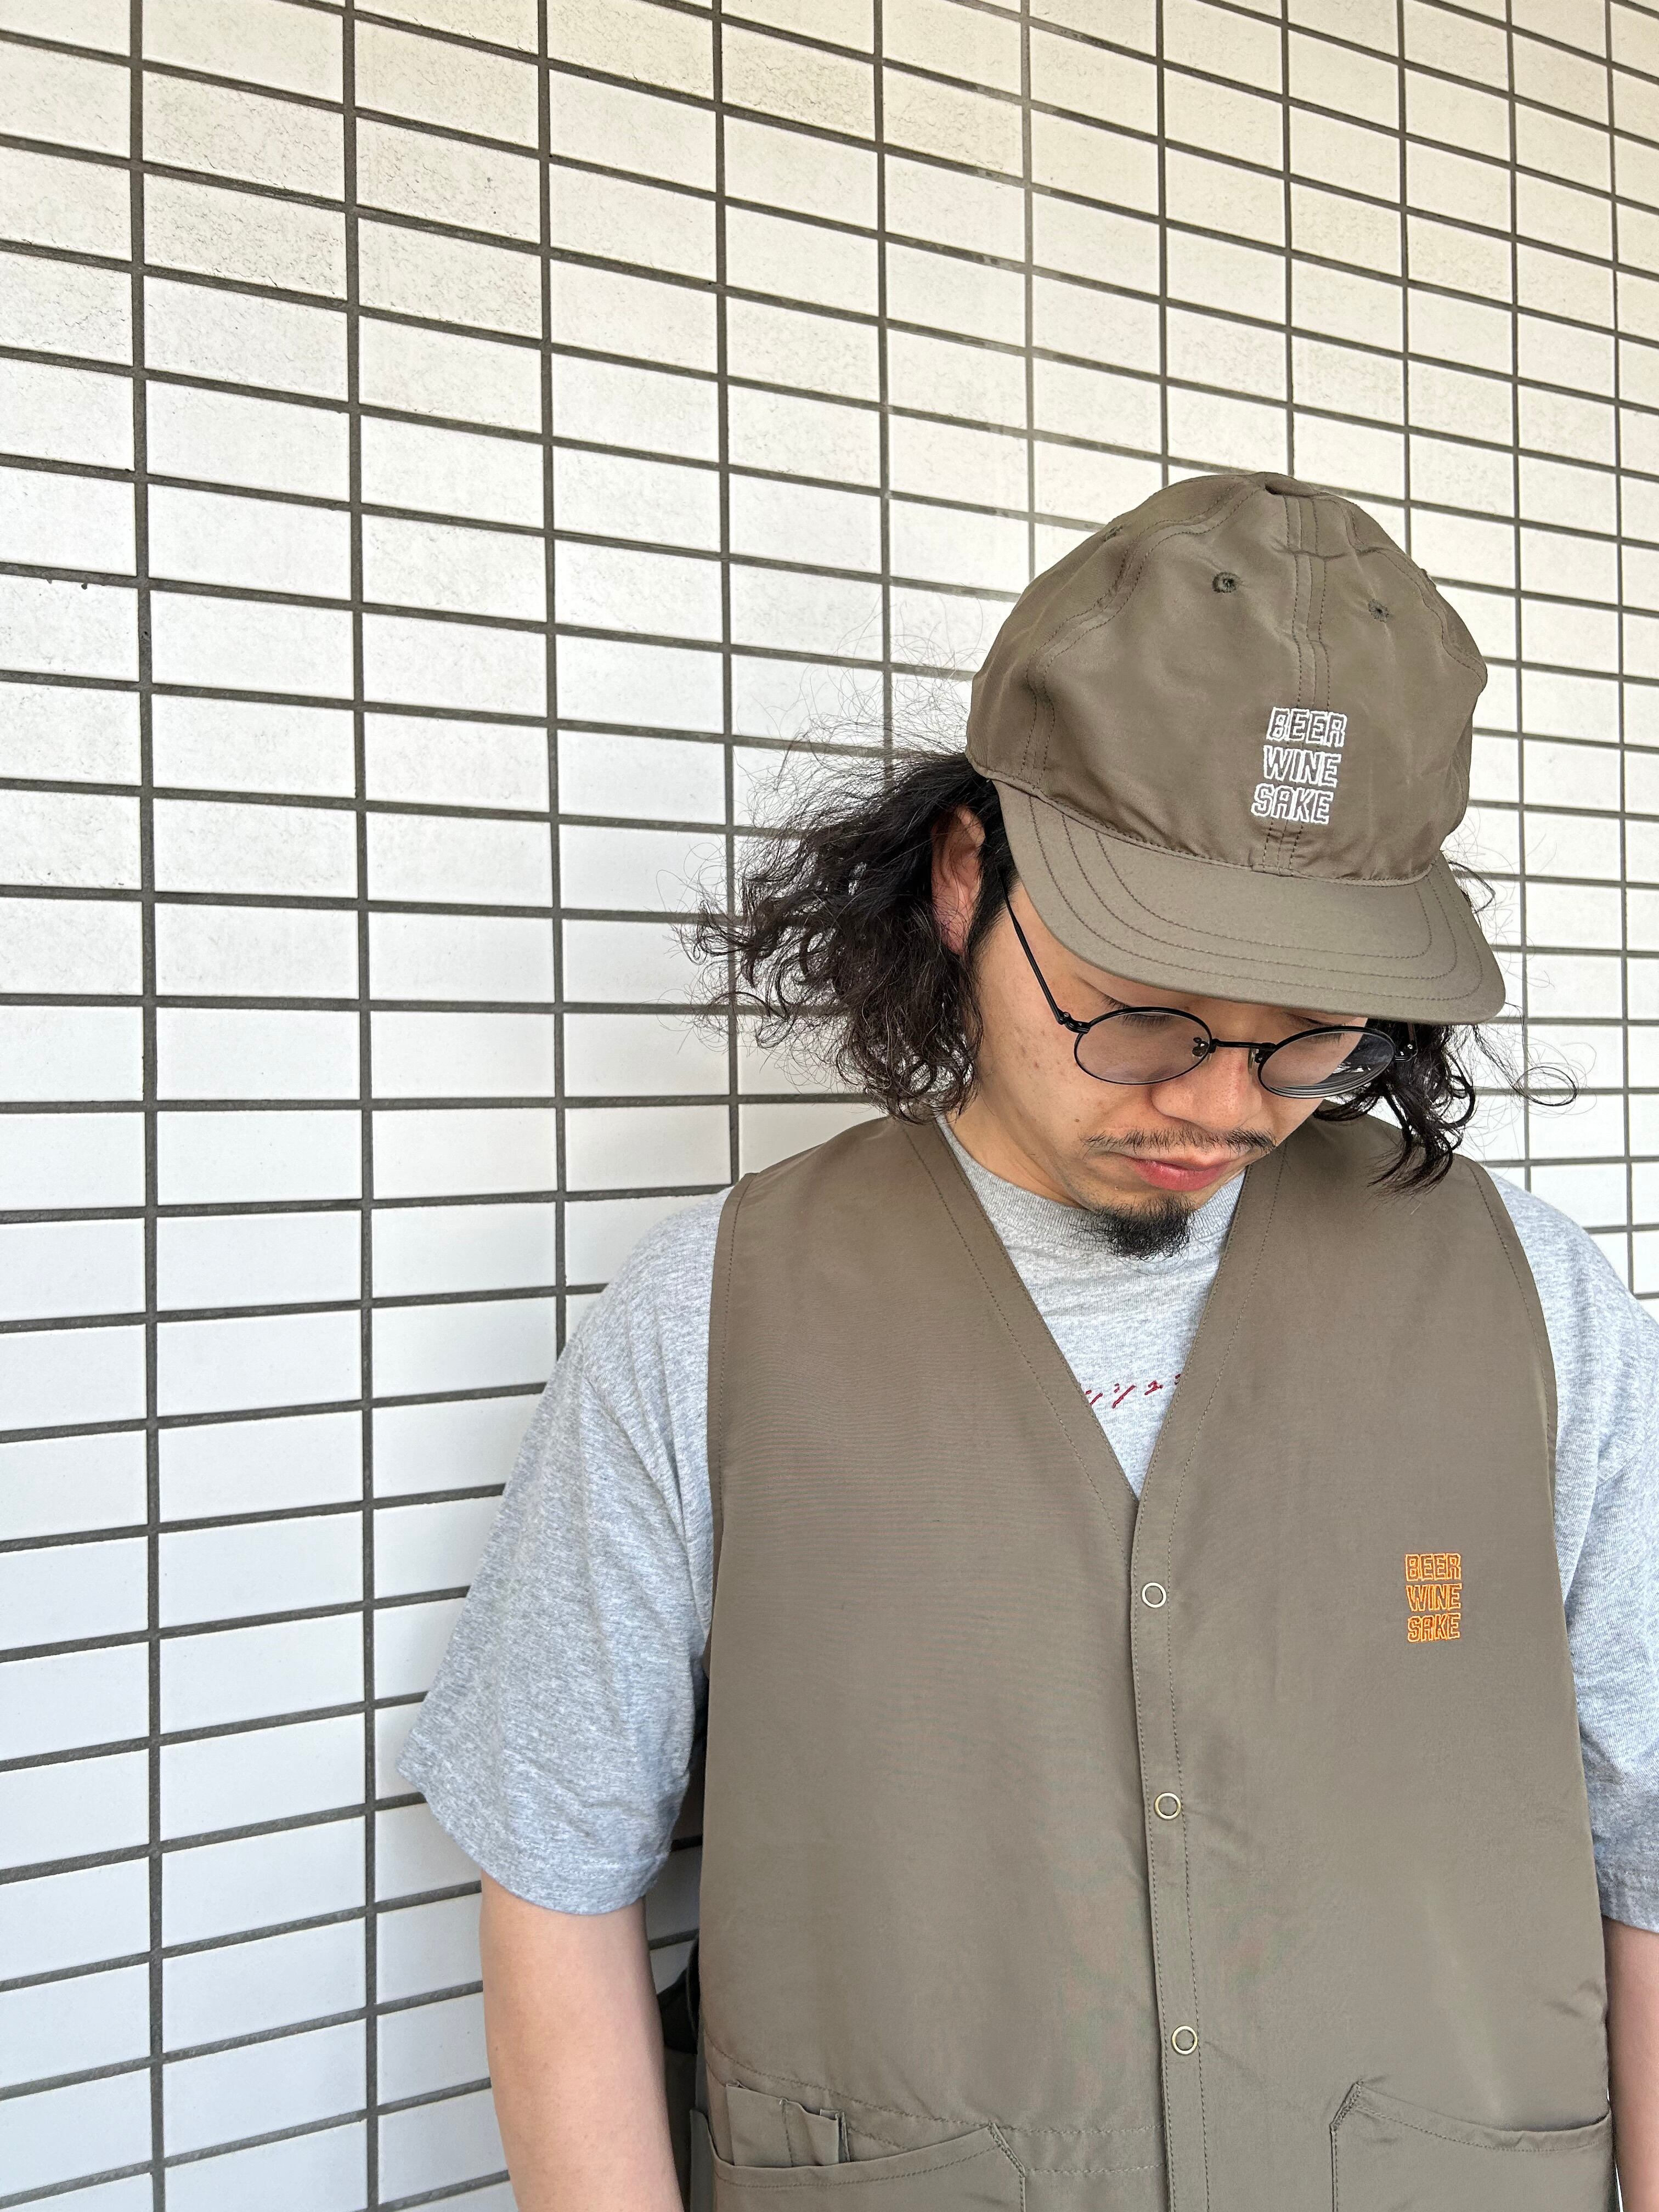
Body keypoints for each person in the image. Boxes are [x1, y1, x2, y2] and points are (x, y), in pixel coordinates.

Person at [401, 471, 1659, 2211]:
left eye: (1313, 1036)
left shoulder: (1535, 1304)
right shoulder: (712, 1320)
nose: (1222, 1105)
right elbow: (556, 1868)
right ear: (966, 877)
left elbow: (1649, 1841)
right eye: (1143, 1011)